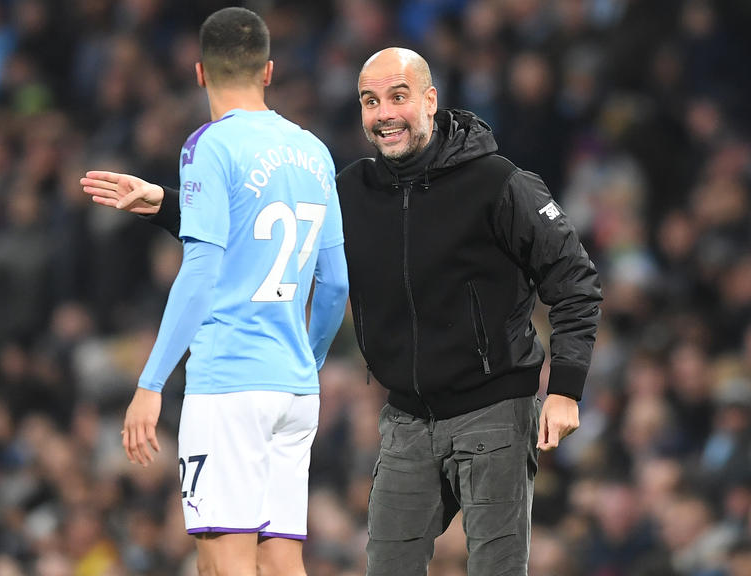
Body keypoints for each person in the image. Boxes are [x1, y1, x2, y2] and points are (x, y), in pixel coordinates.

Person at [83, 47, 602, 575]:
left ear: (430, 100)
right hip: (407, 417)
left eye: (398, 97)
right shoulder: (352, 189)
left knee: (496, 569)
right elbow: (267, 229)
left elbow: (575, 279)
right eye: (370, 101)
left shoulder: (499, 181)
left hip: (495, 412)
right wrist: (168, 205)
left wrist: (564, 388)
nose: (384, 114)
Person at [83, 8, 348, 576]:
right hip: (294, 389)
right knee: (281, 563)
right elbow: (336, 283)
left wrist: (151, 384)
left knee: (222, 563)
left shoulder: (210, 146)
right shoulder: (315, 153)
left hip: (228, 385)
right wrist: (309, 359)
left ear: (199, 73)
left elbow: (201, 271)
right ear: (269, 71)